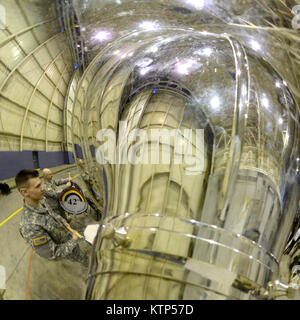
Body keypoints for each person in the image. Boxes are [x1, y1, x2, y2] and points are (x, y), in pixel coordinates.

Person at [16, 169, 88, 267]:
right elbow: (53, 254)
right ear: (24, 192)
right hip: (66, 246)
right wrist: (73, 241)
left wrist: (63, 221)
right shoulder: (29, 226)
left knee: (79, 249)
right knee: (82, 258)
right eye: (37, 186)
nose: (42, 189)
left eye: (40, 184)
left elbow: (53, 214)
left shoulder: (41, 201)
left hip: (67, 234)